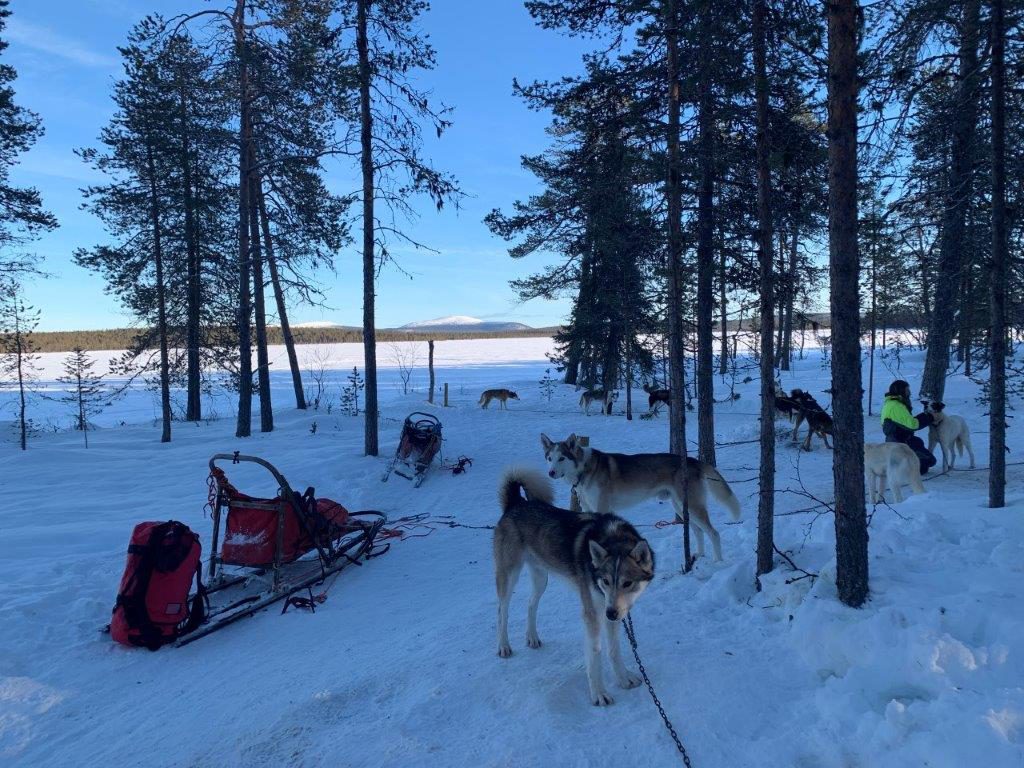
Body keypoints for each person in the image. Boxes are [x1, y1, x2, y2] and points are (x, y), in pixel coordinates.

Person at [880, 380, 938, 474]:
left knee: (918, 443)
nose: (909, 392)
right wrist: (930, 417)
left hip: (900, 439)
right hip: (898, 442)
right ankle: (900, 465)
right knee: (927, 462)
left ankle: (901, 463)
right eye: (907, 390)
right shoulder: (896, 406)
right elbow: (912, 425)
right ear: (900, 391)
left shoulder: (893, 403)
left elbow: (906, 421)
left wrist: (926, 415)